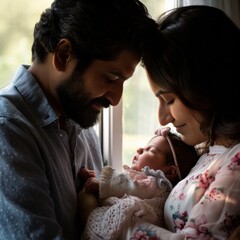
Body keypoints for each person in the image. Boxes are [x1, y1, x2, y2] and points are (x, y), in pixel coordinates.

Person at [0, 0, 158, 239]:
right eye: (111, 78)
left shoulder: (78, 121)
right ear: (63, 55)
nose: (116, 99)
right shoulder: (8, 130)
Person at [125, 5, 240, 240]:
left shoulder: (236, 161)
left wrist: (108, 219)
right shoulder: (210, 155)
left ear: (206, 85)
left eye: (169, 99)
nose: (162, 118)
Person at [78, 127, 198, 240]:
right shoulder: (142, 178)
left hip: (137, 218)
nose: (139, 149)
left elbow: (131, 186)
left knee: (91, 204)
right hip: (130, 219)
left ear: (170, 172)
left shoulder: (157, 183)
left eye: (150, 150)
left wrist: (101, 185)